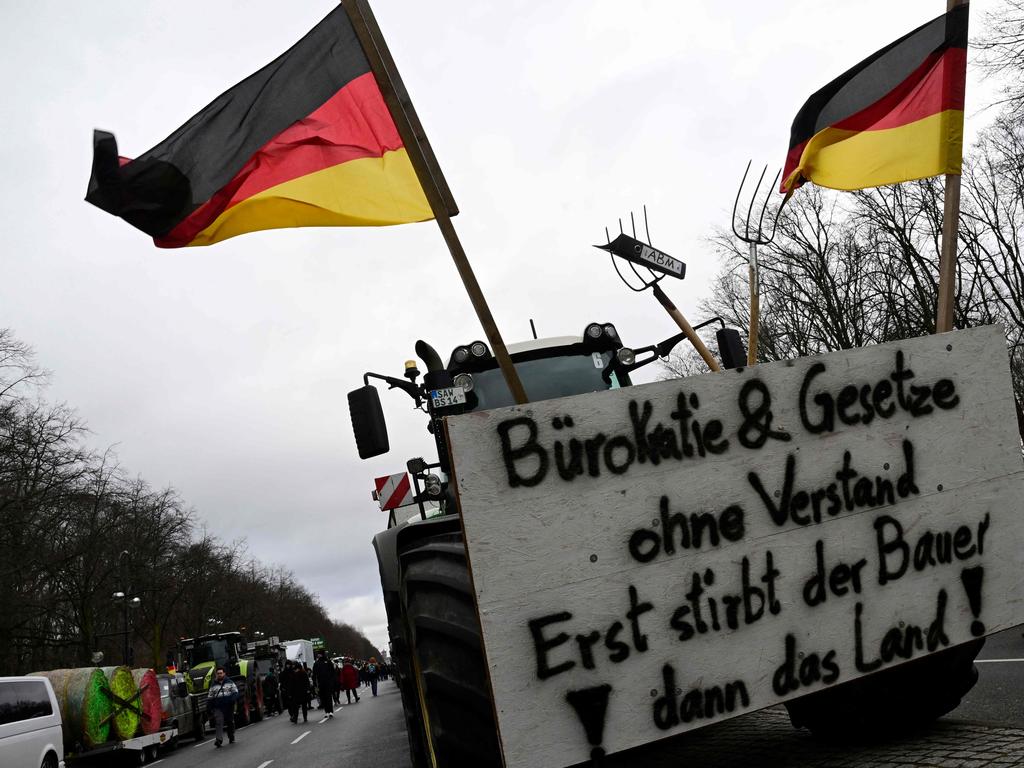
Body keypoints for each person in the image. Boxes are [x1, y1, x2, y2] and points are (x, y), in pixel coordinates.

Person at [207, 667, 239, 747]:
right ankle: (219, 740)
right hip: (218, 707)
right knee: (219, 721)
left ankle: (231, 737)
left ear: (224, 673)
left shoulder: (230, 682)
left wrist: (232, 700)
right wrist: (209, 708)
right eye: (218, 673)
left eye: (221, 673)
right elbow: (210, 697)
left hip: (228, 706)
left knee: (230, 722)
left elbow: (235, 692)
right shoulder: (213, 685)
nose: (219, 675)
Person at [312, 651, 336, 718]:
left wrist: (332, 681)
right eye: (318, 654)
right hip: (320, 683)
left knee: (328, 697)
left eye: (319, 654)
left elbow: (333, 672)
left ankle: (330, 711)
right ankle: (326, 712)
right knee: (323, 698)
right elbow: (314, 674)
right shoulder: (316, 663)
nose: (318, 655)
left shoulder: (328, 662)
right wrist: (315, 683)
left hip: (328, 683)